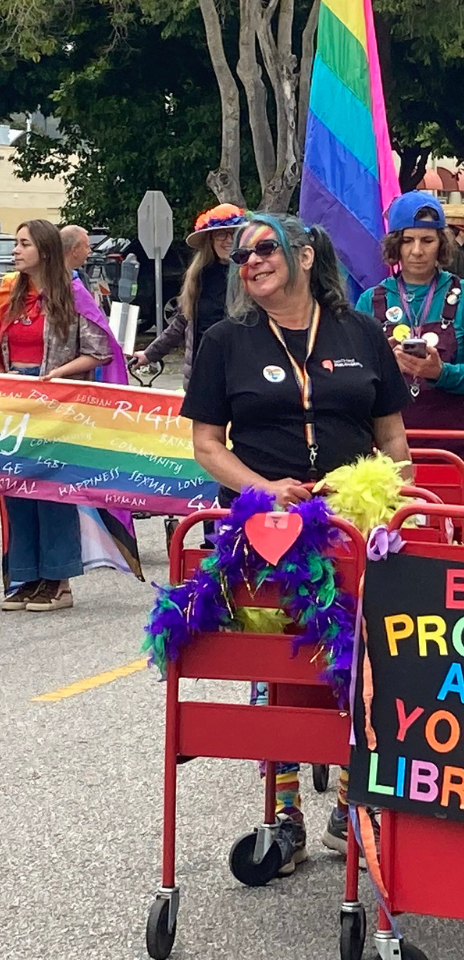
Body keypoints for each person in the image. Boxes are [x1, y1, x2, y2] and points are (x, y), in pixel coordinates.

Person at [181, 212, 413, 875]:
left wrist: (393, 494)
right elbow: (205, 446)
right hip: (264, 533)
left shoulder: (360, 332)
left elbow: (393, 438)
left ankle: (349, 808)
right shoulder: (228, 340)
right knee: (276, 672)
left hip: (350, 528)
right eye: (242, 256)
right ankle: (283, 818)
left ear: (305, 255)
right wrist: (262, 489)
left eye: (263, 249)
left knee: (357, 666)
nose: (249, 261)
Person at [0, 220, 117, 614]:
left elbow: (100, 350)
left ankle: (58, 579)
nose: (15, 251)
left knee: (51, 488)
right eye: (15, 244)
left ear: (45, 251)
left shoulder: (74, 295)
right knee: (15, 488)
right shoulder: (11, 295)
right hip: (14, 402)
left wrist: (59, 374)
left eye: (23, 244)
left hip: (55, 399)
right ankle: (24, 576)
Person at [356, 190, 464, 462]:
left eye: (427, 240)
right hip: (385, 455)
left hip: (456, 451)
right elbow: (354, 377)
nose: (417, 251)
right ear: (395, 245)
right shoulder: (369, 300)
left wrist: (441, 372)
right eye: (407, 240)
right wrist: (383, 368)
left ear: (441, 244)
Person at [133, 203, 244, 388]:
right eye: (221, 234)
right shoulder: (198, 276)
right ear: (210, 240)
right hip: (202, 374)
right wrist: (150, 354)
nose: (228, 239)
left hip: (241, 374)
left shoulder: (252, 275)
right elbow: (180, 323)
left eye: (235, 233)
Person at [60, 224, 92, 290]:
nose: (90, 251)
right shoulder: (54, 278)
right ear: (74, 250)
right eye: (87, 247)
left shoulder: (81, 274)